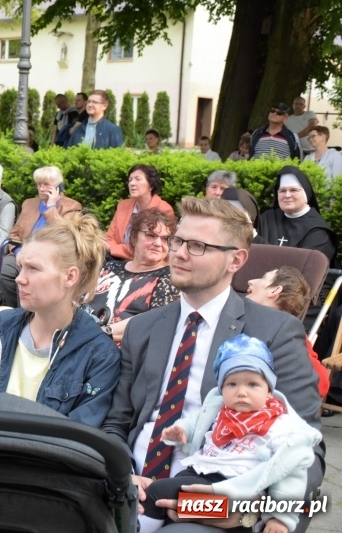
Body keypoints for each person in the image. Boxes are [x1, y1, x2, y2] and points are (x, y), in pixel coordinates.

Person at [100, 197, 323, 533]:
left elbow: (306, 448)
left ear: (237, 259)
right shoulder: (143, 328)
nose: (178, 252)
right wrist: (121, 475)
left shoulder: (273, 331)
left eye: (197, 246)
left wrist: (252, 512)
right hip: (130, 490)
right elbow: (117, 422)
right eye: (178, 241)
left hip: (213, 495)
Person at [142, 334, 321, 533]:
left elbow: (290, 474)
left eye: (252, 384)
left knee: (158, 494)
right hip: (199, 474)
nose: (241, 392)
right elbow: (196, 422)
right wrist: (182, 430)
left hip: (234, 489)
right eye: (232, 384)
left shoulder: (281, 427)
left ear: (269, 390)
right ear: (221, 389)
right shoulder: (218, 410)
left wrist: (280, 518)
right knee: (173, 503)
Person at [0, 214, 120, 427]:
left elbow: (79, 438)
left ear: (70, 277)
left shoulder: (98, 355)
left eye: (33, 268)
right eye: (21, 266)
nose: (19, 278)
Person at [90, 209, 179, 344]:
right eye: (150, 235)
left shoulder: (169, 279)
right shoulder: (110, 267)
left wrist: (101, 334)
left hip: (122, 356)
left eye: (166, 239)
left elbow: (155, 321)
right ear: (134, 238)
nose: (158, 243)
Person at [0, 166, 81, 308]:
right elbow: (14, 234)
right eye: (39, 184)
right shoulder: (29, 204)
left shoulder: (72, 207)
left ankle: (29, 312)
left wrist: (50, 207)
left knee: (32, 274)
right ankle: (12, 309)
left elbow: (66, 235)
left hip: (50, 256)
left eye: (46, 185)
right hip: (23, 252)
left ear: (58, 187)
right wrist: (19, 252)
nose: (42, 188)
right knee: (4, 268)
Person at [246, 266, 330, 398]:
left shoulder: (289, 334)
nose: (251, 281)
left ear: (274, 290)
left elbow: (320, 383)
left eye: (263, 278)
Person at [259, 166, 337, 264]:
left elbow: (304, 269)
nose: (287, 195)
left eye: (293, 190)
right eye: (282, 191)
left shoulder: (318, 231)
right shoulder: (267, 218)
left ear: (306, 194)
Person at [105, 164, 174, 261]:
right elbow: (109, 237)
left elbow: (151, 248)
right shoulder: (123, 206)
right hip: (115, 259)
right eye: (130, 180)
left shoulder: (163, 209)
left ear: (151, 185)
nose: (132, 183)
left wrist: (114, 248)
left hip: (146, 264)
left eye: (138, 179)